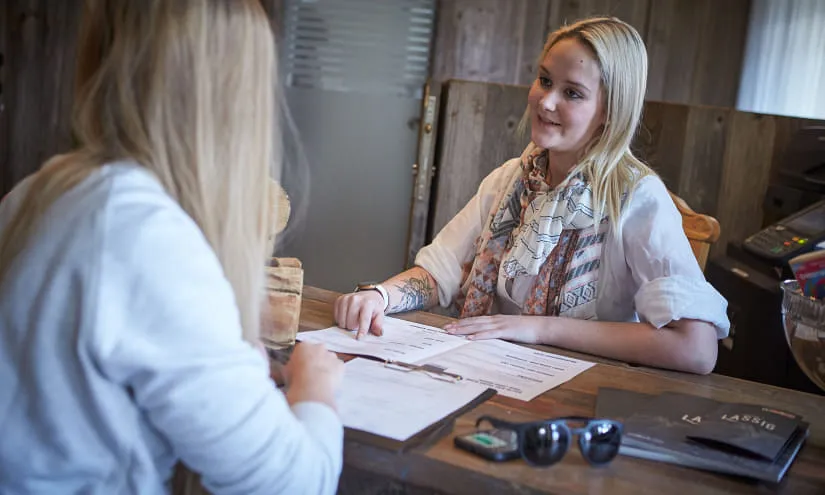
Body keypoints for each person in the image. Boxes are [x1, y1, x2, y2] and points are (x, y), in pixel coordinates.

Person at [0, 1, 344, 494]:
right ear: (231, 96)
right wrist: (316, 386)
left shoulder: (37, 191)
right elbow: (293, 484)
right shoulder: (145, 234)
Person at [335, 17, 730, 376]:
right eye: (544, 80)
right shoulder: (511, 179)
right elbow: (439, 274)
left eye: (572, 93)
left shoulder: (637, 198)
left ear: (610, 110)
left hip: (587, 394)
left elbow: (696, 349)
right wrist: (380, 296)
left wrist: (538, 327)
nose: (546, 102)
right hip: (489, 372)